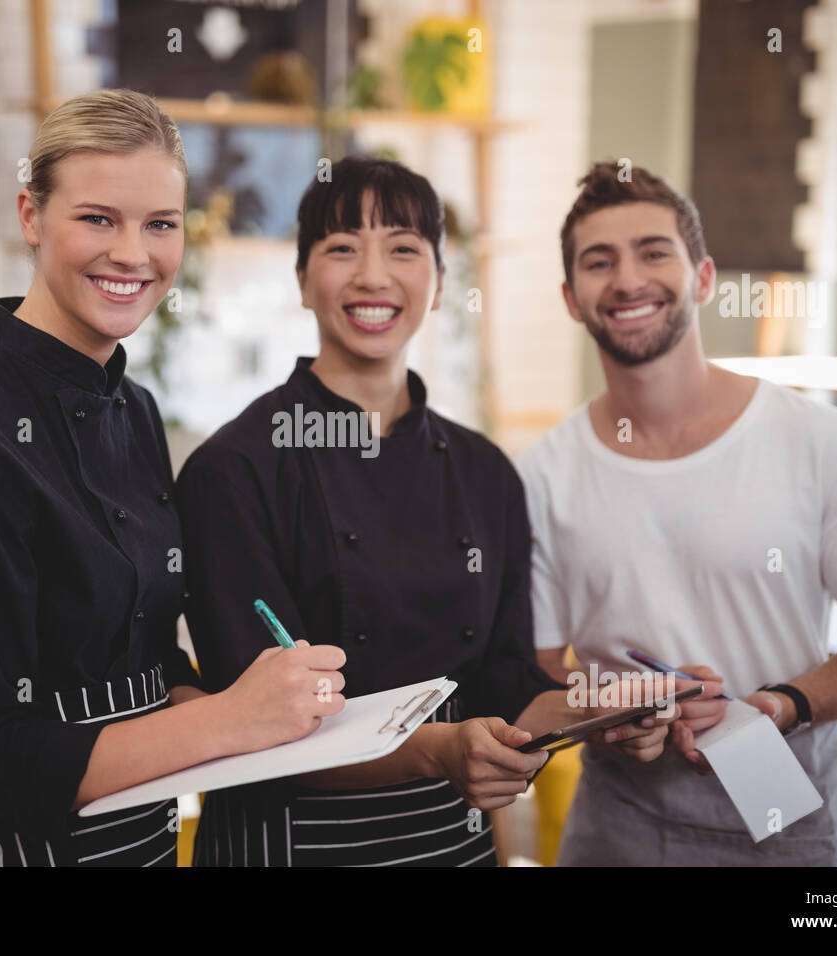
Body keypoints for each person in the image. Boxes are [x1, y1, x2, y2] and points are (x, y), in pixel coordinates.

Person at [0, 89, 345, 867]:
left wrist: (248, 707)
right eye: (97, 219)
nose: (132, 254)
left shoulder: (137, 410)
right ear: (30, 216)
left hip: (139, 843)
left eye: (160, 224)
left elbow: (145, 652)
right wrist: (230, 723)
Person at [175, 157, 674, 867]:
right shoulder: (237, 469)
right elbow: (250, 725)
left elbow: (507, 682)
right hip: (288, 843)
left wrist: (604, 713)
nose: (374, 276)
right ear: (302, 282)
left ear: (439, 284)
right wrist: (436, 752)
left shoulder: (483, 472)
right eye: (342, 247)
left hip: (449, 842)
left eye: (404, 249)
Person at [519, 161, 837, 866]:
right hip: (614, 826)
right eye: (599, 261)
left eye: (653, 252)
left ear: (703, 278)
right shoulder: (540, 475)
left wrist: (779, 705)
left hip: (785, 822)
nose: (626, 279)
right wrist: (613, 711)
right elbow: (539, 667)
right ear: (571, 298)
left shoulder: (825, 444)